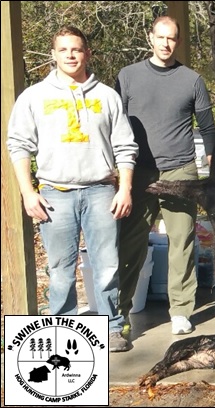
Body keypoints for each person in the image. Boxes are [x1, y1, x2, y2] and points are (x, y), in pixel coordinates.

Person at [7, 26, 138, 352]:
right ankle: (62, 331)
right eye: (63, 50)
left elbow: (125, 146)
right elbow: (18, 145)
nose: (70, 55)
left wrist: (125, 188)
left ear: (87, 54)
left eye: (76, 49)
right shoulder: (34, 97)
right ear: (53, 55)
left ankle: (111, 327)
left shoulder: (107, 96)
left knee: (107, 266)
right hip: (55, 195)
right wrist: (28, 192)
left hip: (101, 193)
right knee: (60, 271)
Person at [115, 15, 215, 336]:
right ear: (150, 38)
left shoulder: (192, 80)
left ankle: (181, 310)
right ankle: (120, 310)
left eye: (171, 38)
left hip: (181, 169)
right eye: (160, 37)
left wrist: (212, 173)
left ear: (178, 42)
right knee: (130, 242)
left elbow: (208, 128)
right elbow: (113, 125)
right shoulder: (128, 77)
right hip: (138, 170)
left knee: (183, 241)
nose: (165, 43)